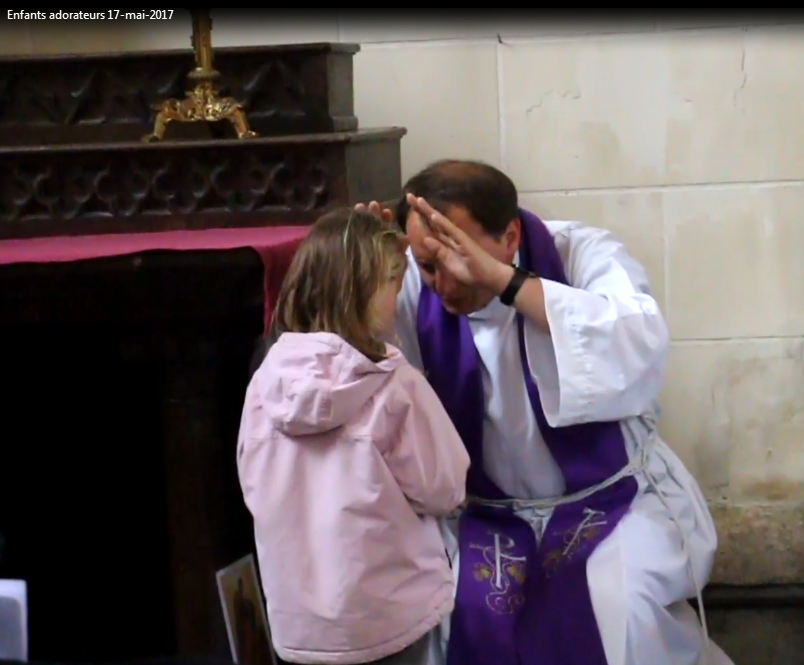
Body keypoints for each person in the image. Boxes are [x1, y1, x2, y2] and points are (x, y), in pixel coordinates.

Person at [355, 159, 734, 665]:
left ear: (510, 237)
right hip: (483, 514)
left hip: (612, 500)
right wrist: (363, 274)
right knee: (444, 611)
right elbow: (355, 360)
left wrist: (506, 283)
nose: (444, 285)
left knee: (618, 607)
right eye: (429, 266)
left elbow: (638, 342)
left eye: (459, 258)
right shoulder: (412, 276)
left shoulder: (580, 254)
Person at [236, 208, 471, 665]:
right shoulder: (393, 384)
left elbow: (251, 482)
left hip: (301, 624)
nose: (397, 296)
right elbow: (444, 488)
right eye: (390, 282)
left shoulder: (265, 383)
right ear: (358, 292)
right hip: (388, 618)